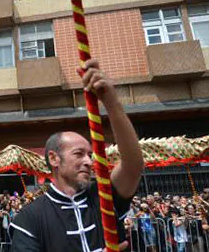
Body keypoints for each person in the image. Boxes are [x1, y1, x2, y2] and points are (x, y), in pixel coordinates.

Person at [10, 59, 144, 252]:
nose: (89, 162)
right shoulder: (29, 217)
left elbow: (133, 164)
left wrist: (111, 102)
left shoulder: (104, 196)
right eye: (79, 154)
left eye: (90, 154)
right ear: (54, 159)